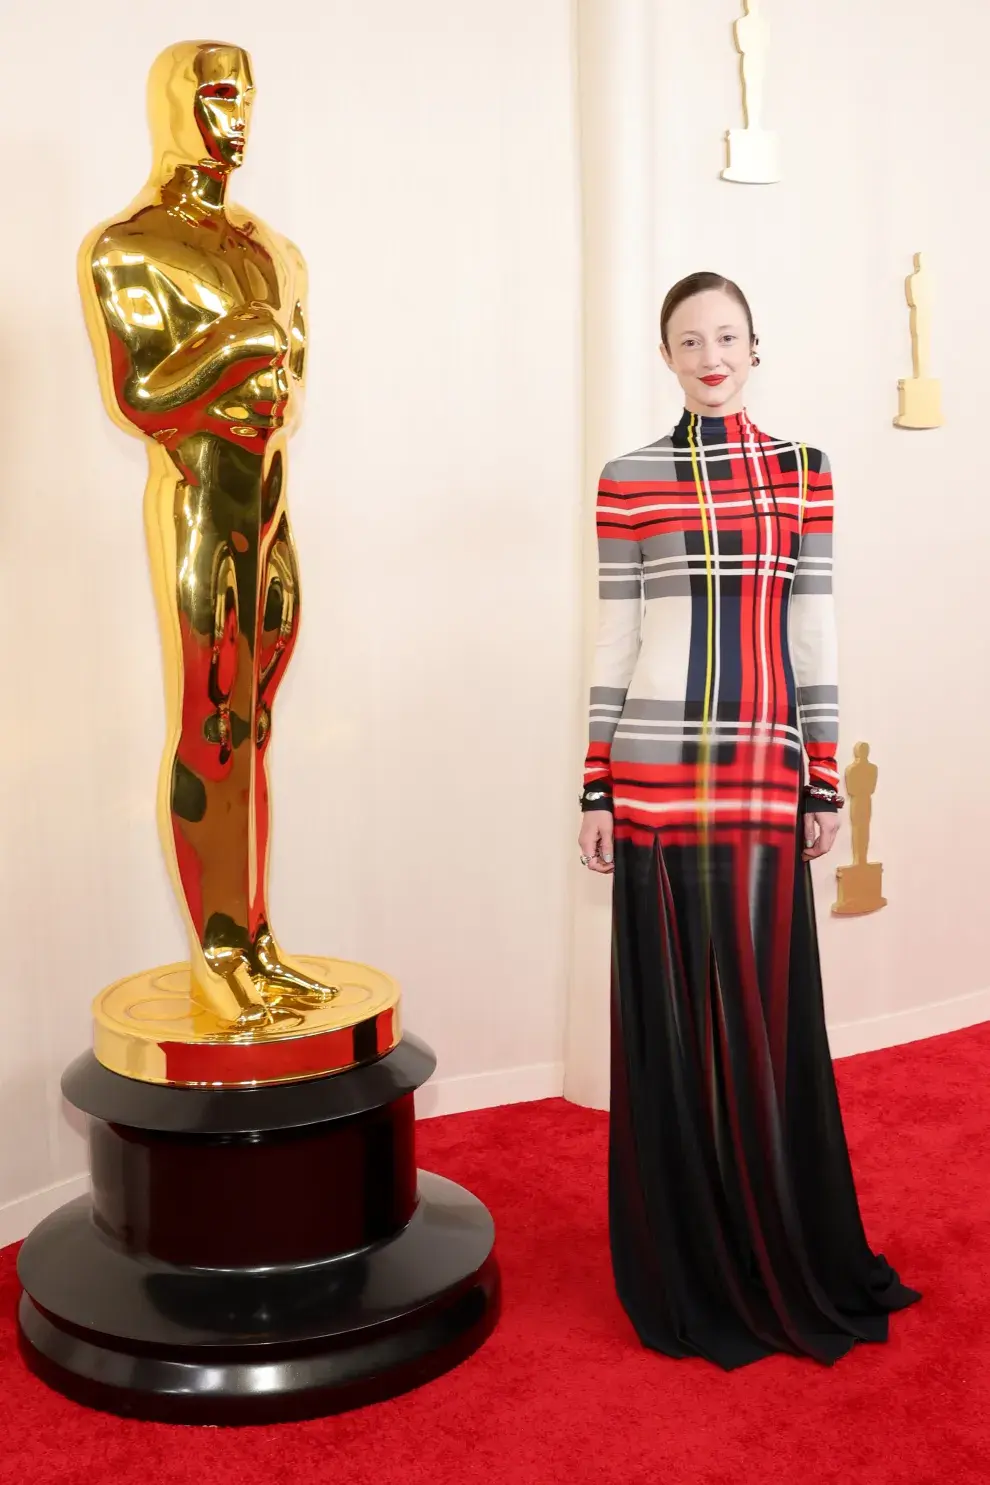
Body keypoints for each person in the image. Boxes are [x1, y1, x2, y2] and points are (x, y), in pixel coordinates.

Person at [578, 271, 920, 1369]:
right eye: (688, 340)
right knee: (675, 1037)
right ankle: (689, 1262)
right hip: (654, 778)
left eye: (726, 335)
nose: (709, 354)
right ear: (665, 356)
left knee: (765, 1028)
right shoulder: (627, 480)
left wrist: (823, 773)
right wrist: (593, 782)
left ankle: (781, 1246)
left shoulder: (805, 471)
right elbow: (617, 644)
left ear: (755, 347)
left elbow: (811, 632)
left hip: (765, 775)